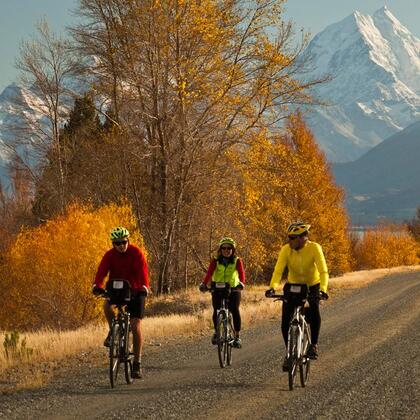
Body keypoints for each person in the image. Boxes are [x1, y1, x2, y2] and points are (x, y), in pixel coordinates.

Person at [265, 222, 329, 370]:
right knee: (285, 322)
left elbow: (323, 271)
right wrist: (272, 287)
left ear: (303, 238)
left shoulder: (314, 248)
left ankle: (313, 345)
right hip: (293, 286)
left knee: (314, 311)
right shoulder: (286, 250)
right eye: (289, 237)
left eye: (292, 237)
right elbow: (278, 271)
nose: (289, 240)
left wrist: (323, 290)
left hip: (312, 285)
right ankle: (289, 354)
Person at [92, 226, 149, 379]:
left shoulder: (136, 253)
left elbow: (143, 273)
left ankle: (137, 363)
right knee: (106, 306)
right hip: (117, 290)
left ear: (128, 240)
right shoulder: (109, 255)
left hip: (136, 290)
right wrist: (97, 286)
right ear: (113, 244)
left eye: (123, 242)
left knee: (136, 325)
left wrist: (144, 287)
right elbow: (101, 272)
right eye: (117, 243)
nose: (121, 246)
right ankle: (113, 331)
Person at [199, 237, 245, 348]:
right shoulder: (215, 260)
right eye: (224, 248)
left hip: (233, 288)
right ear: (220, 249)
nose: (226, 250)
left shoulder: (237, 260)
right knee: (216, 310)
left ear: (233, 250)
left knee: (234, 309)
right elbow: (209, 273)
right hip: (218, 288)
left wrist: (241, 284)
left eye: (229, 248)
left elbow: (241, 273)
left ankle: (237, 337)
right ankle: (217, 332)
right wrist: (204, 284)